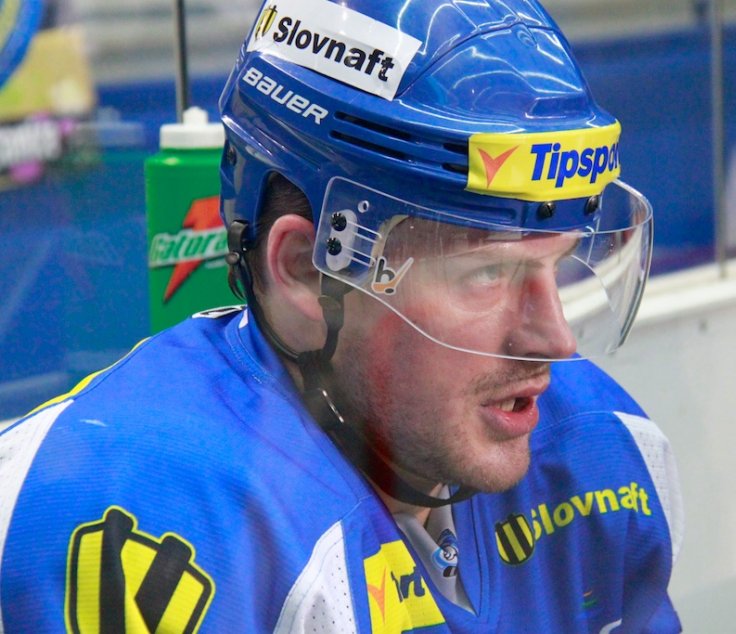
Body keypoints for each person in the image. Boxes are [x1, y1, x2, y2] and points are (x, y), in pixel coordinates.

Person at [0, 0, 683, 631]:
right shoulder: (141, 504)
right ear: (305, 270)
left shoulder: (600, 450)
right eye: (487, 275)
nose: (554, 339)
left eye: (556, 265)